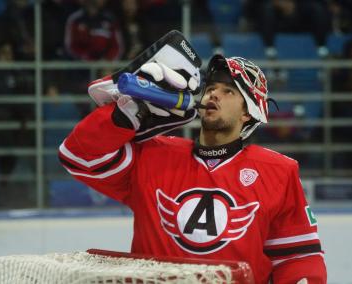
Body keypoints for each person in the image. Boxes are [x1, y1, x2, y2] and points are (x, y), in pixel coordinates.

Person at [59, 30, 327, 283]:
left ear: (249, 114)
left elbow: (298, 257)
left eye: (229, 91)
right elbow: (78, 156)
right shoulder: (152, 155)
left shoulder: (278, 171)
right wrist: (126, 114)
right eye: (211, 87)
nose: (213, 94)